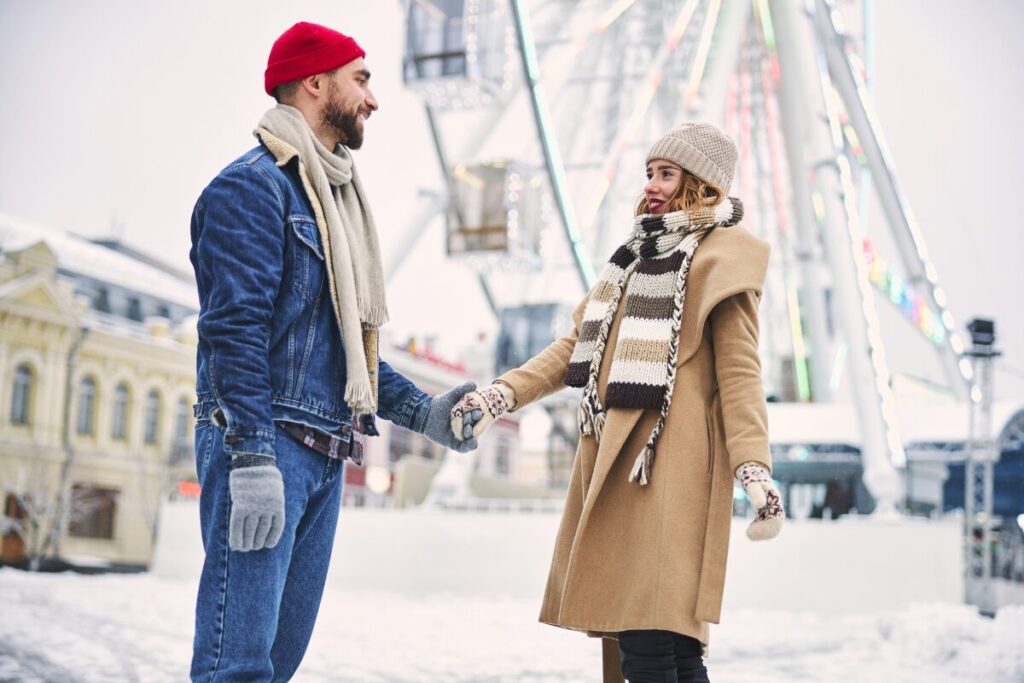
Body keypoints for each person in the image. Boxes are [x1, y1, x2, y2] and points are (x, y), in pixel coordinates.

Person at [188, 22, 476, 682]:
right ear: (316, 84)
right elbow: (233, 333)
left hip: (322, 453)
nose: (373, 99)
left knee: (276, 664)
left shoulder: (334, 203)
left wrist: (427, 414)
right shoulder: (249, 189)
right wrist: (253, 456)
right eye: (362, 79)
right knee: (237, 665)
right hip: (268, 451)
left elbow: (344, 347)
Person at [452, 123, 784, 683]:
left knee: (652, 642)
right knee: (663, 646)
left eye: (667, 174)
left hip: (671, 471)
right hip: (618, 465)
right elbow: (573, 349)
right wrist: (501, 395)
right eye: (650, 173)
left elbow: (740, 371)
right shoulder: (632, 260)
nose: (652, 185)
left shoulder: (723, 261)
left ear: (700, 184)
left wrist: (753, 465)